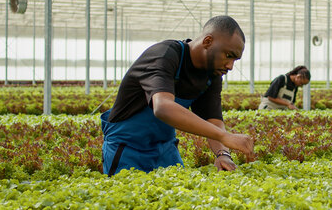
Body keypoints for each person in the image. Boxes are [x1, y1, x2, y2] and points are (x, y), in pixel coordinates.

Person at [101, 16, 255, 176]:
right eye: (228, 55)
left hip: (165, 148)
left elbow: (213, 119)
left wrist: (223, 154)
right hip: (128, 148)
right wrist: (225, 136)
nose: (230, 66)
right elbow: (163, 108)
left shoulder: (212, 76)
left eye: (235, 60)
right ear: (208, 41)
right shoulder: (165, 55)